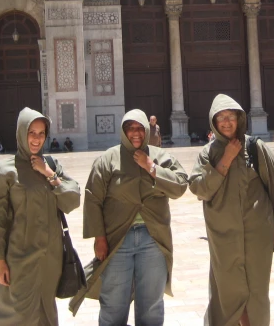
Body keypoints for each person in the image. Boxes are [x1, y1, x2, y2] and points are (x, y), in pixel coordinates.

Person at [69, 109, 189, 324]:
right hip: (117, 240)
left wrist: (151, 167)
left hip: (153, 240)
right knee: (114, 303)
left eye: (139, 128)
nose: (135, 133)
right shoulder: (108, 159)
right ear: (123, 131)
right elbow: (93, 199)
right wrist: (99, 237)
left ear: (146, 129)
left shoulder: (160, 157)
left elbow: (180, 186)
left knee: (151, 304)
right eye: (129, 128)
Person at [188, 94, 274, 326]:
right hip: (223, 236)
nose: (226, 122)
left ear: (239, 119)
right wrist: (225, 160)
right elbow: (199, 189)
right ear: (213, 122)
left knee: (256, 291)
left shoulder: (254, 147)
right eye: (220, 118)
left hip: (258, 235)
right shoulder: (208, 153)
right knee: (226, 292)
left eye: (231, 117)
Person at [0, 107, 81, 325]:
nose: (36, 139)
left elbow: (72, 200)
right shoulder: (6, 170)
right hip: (18, 259)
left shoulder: (52, 166)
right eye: (31, 133)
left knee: (46, 313)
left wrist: (49, 174)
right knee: (16, 315)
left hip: (49, 260)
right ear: (21, 133)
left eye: (41, 133)